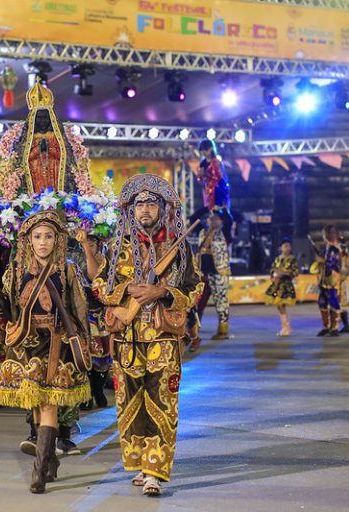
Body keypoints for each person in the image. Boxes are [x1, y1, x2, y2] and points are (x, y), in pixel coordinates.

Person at [92, 174, 203, 497]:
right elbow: (98, 286)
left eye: (151, 203)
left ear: (163, 209)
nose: (145, 209)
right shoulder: (118, 247)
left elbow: (195, 287)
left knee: (162, 403)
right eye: (139, 204)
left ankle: (155, 470)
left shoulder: (178, 248)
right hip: (126, 339)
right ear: (131, 209)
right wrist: (126, 289)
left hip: (162, 338)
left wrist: (163, 293)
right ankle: (141, 463)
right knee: (131, 405)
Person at [0, 211, 91, 494]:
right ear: (29, 240)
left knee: (48, 405)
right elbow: (11, 309)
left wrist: (85, 342)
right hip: (26, 343)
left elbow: (79, 308)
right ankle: (51, 461)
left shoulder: (68, 270)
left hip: (57, 343)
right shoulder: (15, 271)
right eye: (37, 236)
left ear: (57, 240)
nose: (43, 242)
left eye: (48, 236)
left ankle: (38, 473)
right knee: (36, 403)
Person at [75, 230, 110, 410]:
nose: (88, 246)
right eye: (85, 243)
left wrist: (86, 249)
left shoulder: (103, 260)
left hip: (99, 314)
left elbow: (94, 276)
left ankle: (98, 390)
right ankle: (87, 394)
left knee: (101, 356)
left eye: (92, 244)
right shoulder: (74, 257)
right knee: (84, 355)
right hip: (81, 313)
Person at [194, 209, 231, 345]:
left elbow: (229, 220)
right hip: (203, 273)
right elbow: (194, 218)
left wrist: (221, 208)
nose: (212, 221)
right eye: (211, 218)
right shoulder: (203, 232)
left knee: (221, 302)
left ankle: (223, 331)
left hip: (218, 273)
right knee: (197, 303)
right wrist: (205, 207)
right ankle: (194, 330)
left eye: (216, 218)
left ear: (221, 221)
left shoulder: (225, 232)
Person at [311, 224, 342, 337]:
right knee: (322, 302)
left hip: (332, 281)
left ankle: (335, 327)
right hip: (324, 280)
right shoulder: (326, 249)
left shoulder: (335, 249)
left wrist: (323, 261)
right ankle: (326, 326)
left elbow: (336, 266)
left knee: (333, 302)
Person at [264, 238, 299, 336]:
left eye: (289, 246)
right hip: (277, 285)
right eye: (285, 246)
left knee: (281, 305)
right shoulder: (277, 259)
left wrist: (284, 273)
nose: (288, 248)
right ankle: (285, 327)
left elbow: (295, 272)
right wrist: (273, 276)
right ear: (280, 248)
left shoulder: (292, 259)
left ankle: (286, 327)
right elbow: (272, 269)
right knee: (279, 306)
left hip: (286, 285)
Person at [337, 241, 349, 334]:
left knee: (342, 305)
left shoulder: (347, 258)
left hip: (341, 283)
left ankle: (346, 325)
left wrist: (337, 268)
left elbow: (347, 271)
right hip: (335, 283)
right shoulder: (336, 256)